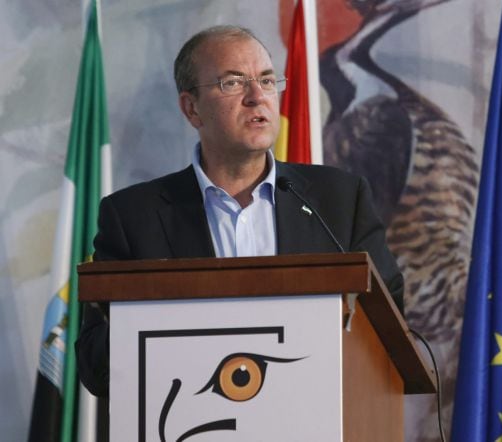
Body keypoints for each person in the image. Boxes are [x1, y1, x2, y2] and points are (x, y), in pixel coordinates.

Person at [76, 25, 404, 398]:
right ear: (191, 108)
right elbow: (95, 368)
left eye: (266, 80)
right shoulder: (133, 216)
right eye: (232, 83)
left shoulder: (339, 200)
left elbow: (390, 327)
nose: (256, 97)